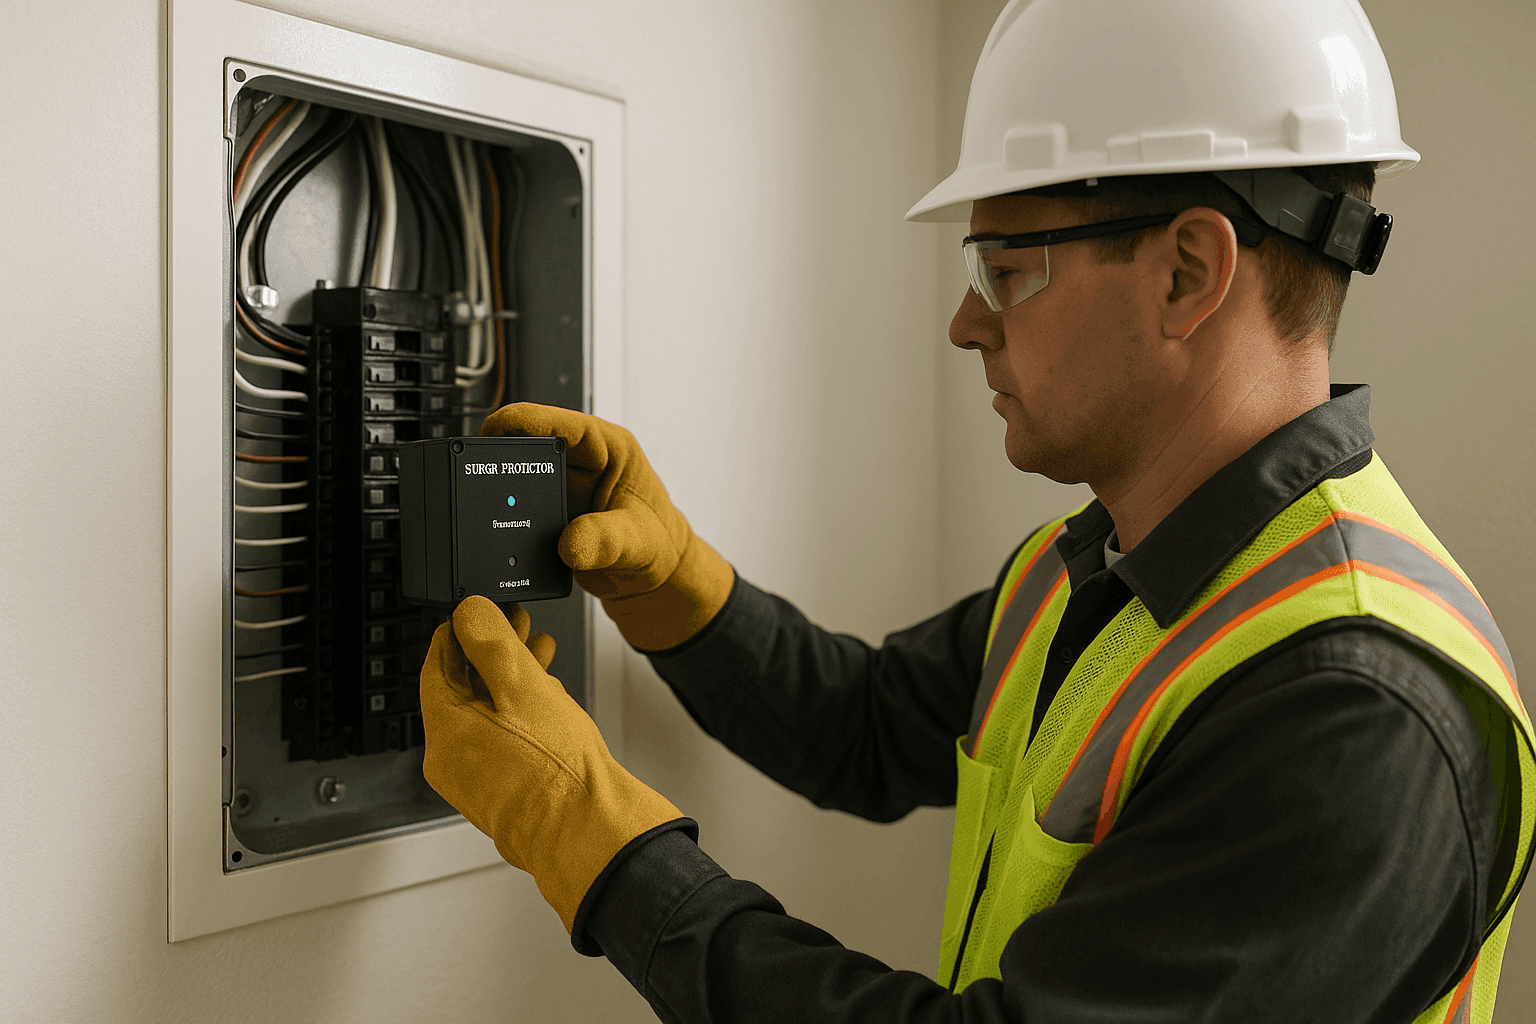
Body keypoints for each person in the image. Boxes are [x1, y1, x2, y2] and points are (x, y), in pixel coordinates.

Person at [417, 1, 1536, 1020]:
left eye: (1006, 267)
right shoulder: (1092, 567)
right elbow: (862, 727)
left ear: (1188, 273)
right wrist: (677, 589)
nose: (965, 320)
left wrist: (593, 839)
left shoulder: (1352, 711)